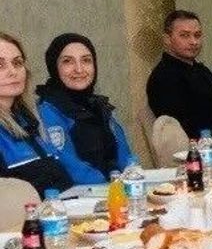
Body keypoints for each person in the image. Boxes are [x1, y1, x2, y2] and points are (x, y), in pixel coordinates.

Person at [36, 33, 137, 185]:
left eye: (86, 60)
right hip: (81, 195)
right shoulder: (48, 109)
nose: (79, 69)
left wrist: (132, 182)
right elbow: (70, 167)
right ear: (54, 67)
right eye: (68, 61)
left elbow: (125, 157)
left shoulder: (99, 106)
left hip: (116, 191)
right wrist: (110, 188)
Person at [147, 10, 212, 138]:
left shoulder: (200, 70)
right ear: (167, 39)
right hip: (203, 145)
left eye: (197, 35)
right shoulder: (164, 77)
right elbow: (183, 129)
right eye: (184, 35)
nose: (193, 42)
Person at [0, 32, 72, 195]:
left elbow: (58, 180)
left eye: (17, 63)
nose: (13, 71)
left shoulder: (26, 119)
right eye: (0, 65)